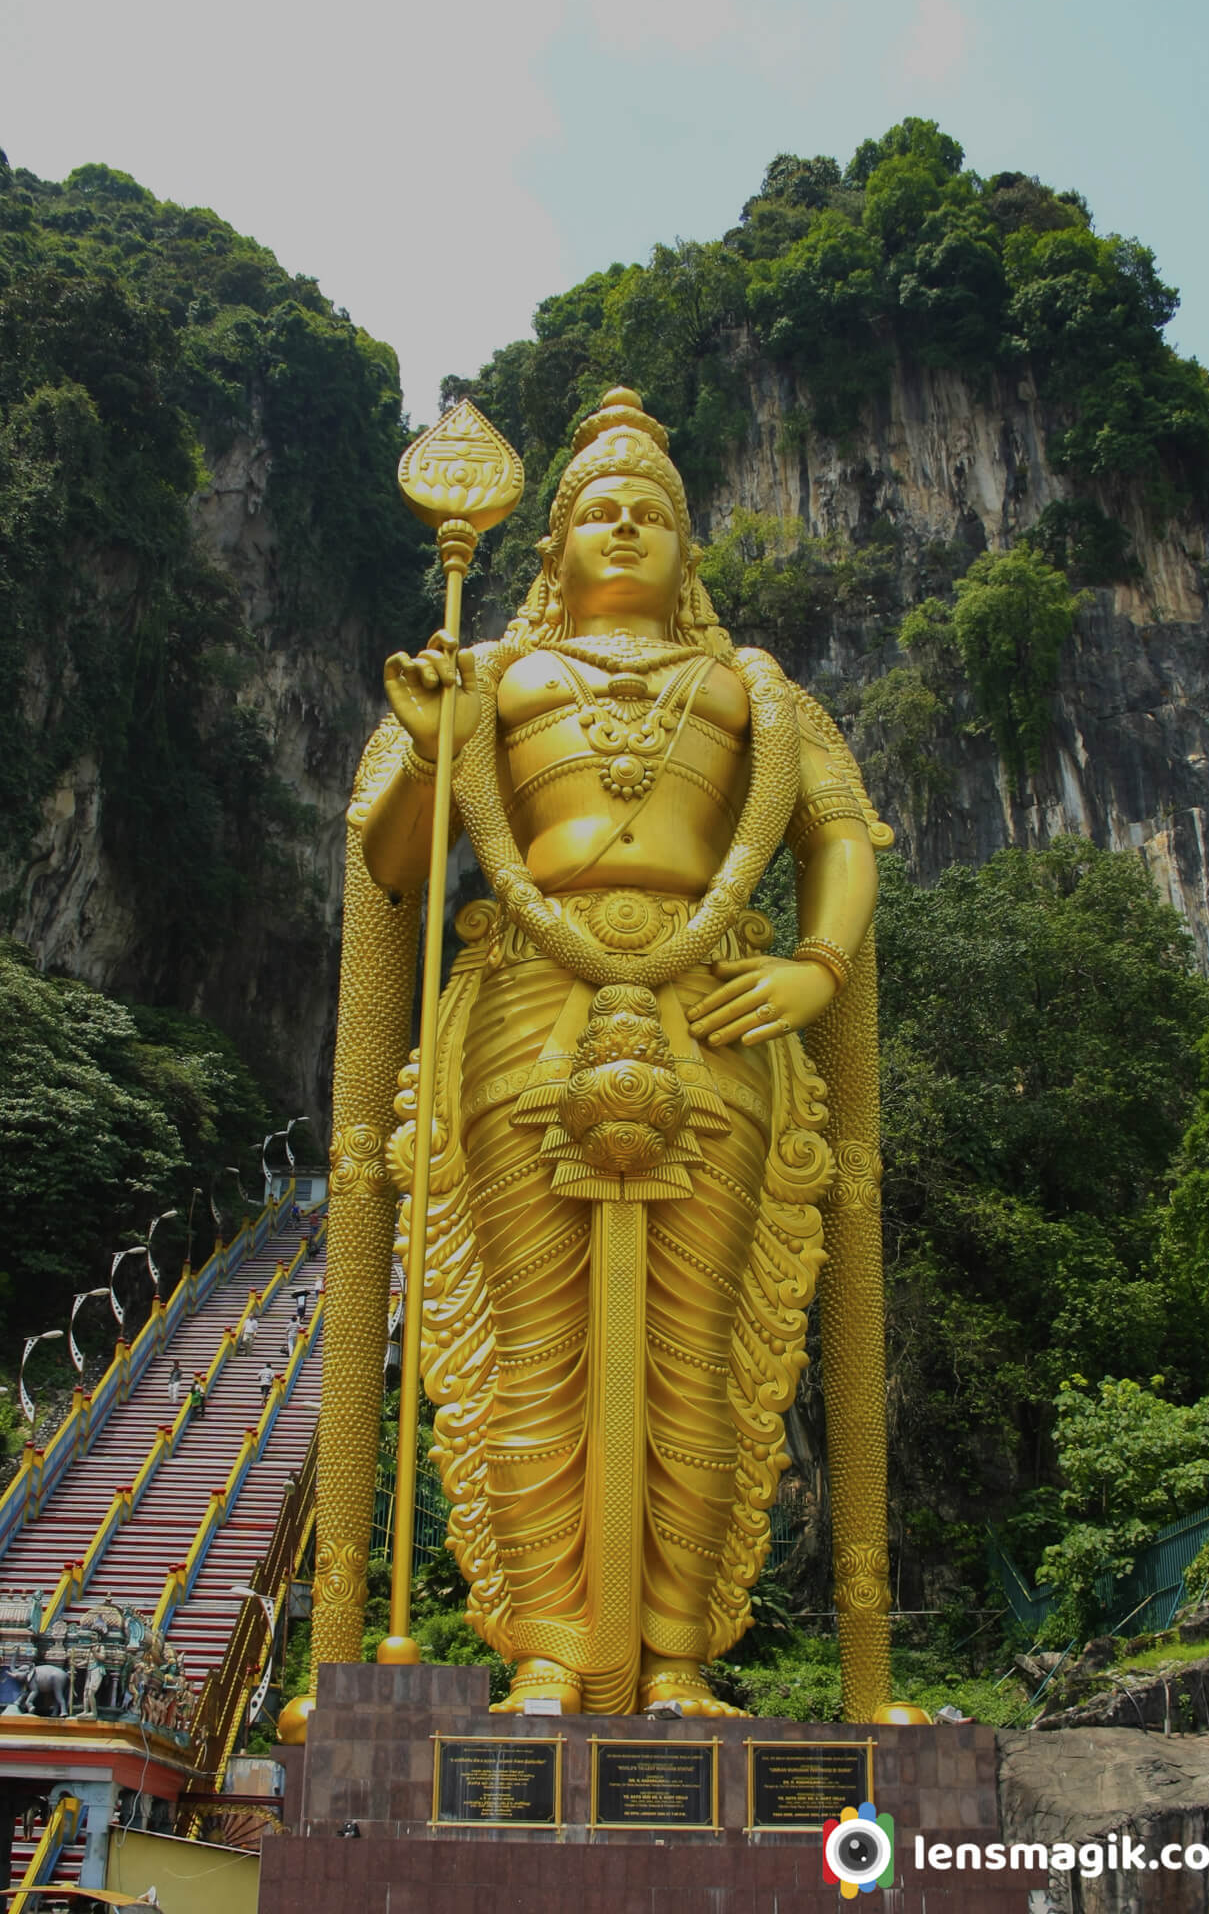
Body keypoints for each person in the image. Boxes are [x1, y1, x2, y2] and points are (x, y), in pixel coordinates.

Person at [315, 389, 892, 1718]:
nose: (624, 528)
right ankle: (547, 1653)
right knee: (531, 1346)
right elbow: (393, 872)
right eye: (596, 513)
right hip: (528, 1006)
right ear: (552, 549)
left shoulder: (754, 692)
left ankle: (680, 1654)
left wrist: (814, 963)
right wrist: (422, 744)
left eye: (653, 515)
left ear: (690, 554)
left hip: (715, 1016)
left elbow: (841, 839)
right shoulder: (490, 678)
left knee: (697, 1349)